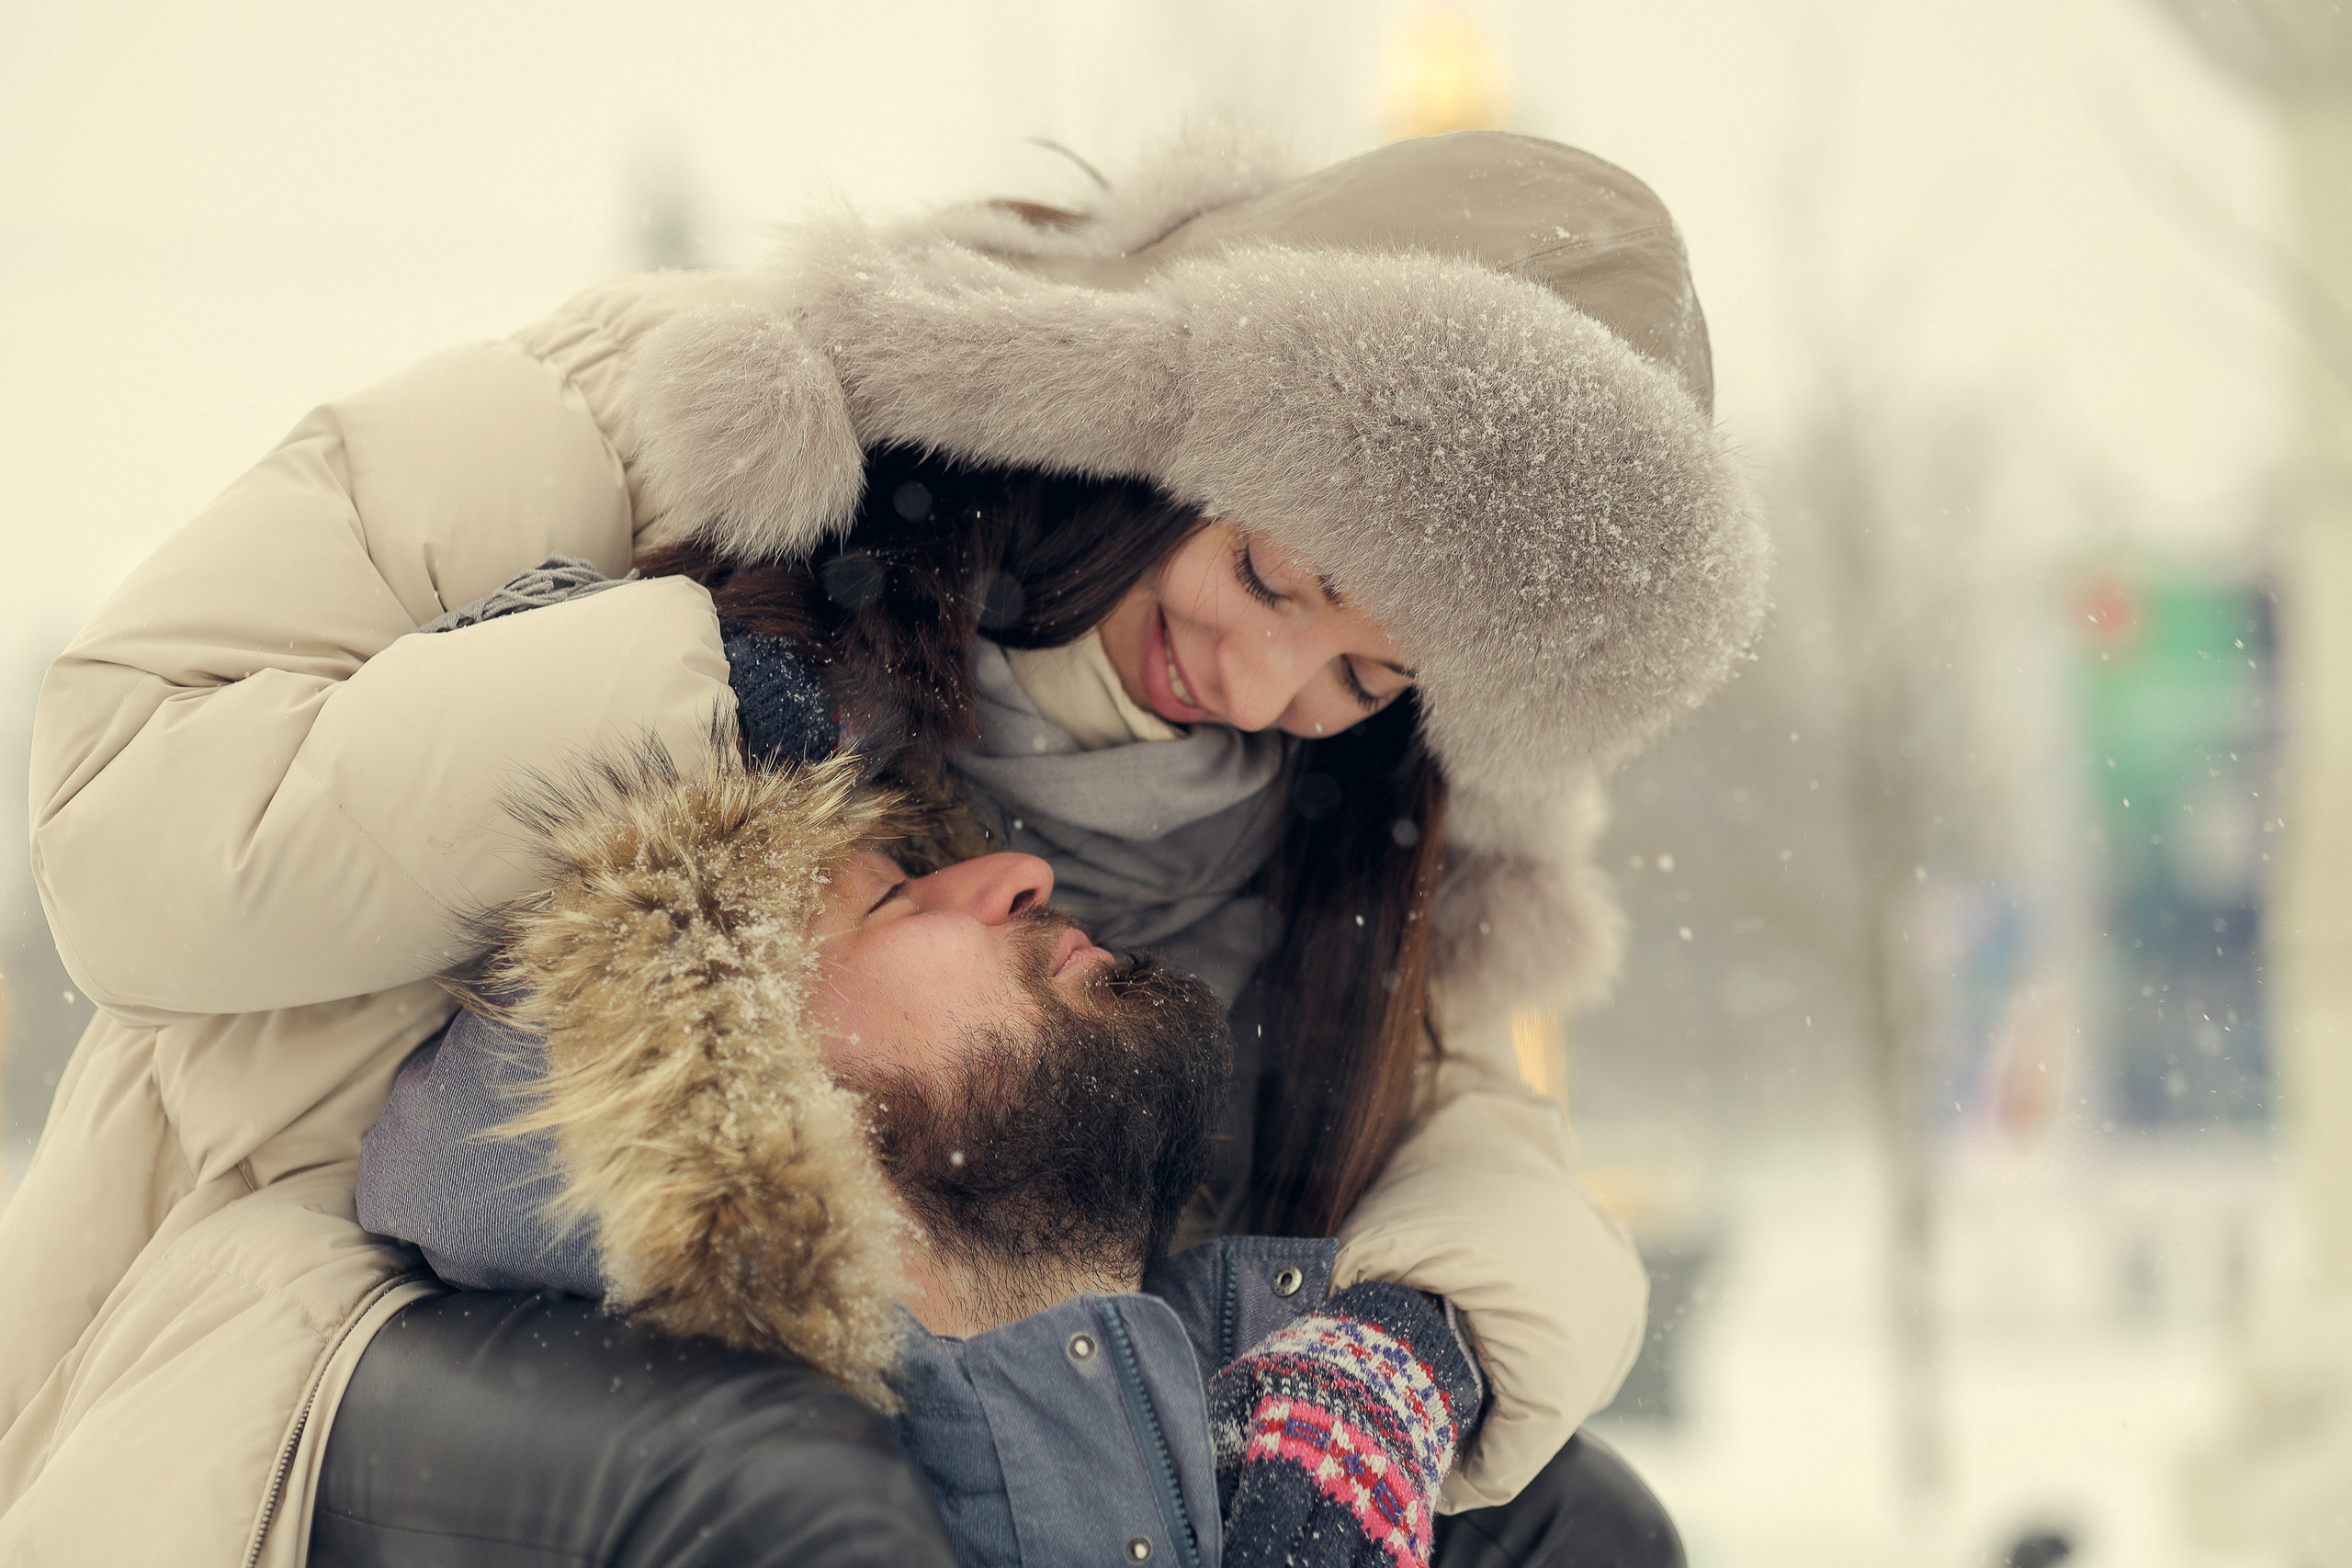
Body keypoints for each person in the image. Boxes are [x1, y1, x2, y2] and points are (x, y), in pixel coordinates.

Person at [0, 128, 1762, 1564]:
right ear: (1172, 428)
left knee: (1574, 1523)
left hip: (987, 1398)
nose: (1260, 684)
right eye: (1270, 574)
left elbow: (1473, 1137)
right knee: (781, 1489)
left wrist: (1415, 1337)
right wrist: (702, 688)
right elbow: (125, 842)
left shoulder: (1320, 829)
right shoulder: (678, 429)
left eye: (1368, 676)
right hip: (340, 1333)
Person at [333, 698, 1487, 1568]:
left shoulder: (1365, 1436)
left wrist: (1388, 1362)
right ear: (745, 1087)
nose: (1021, 874)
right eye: (889, 898)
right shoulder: (759, 1513)